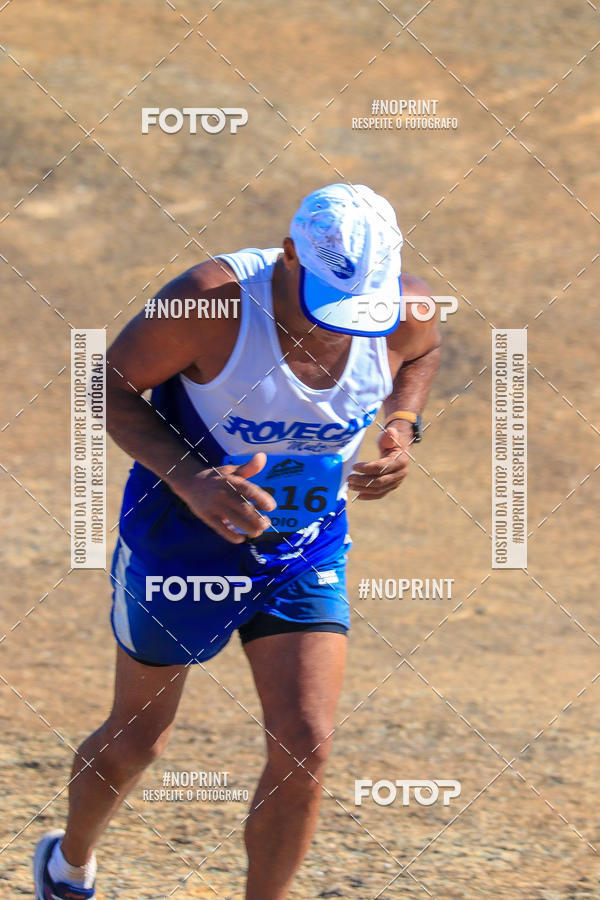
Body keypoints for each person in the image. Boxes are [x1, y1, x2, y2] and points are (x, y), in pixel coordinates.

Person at [34, 183, 441, 900]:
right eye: (330, 304)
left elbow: (420, 355)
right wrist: (193, 481)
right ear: (289, 257)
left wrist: (402, 428)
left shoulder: (403, 307)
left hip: (304, 549)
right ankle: (69, 864)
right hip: (179, 545)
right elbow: (105, 387)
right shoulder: (211, 304)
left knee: (307, 740)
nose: (345, 327)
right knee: (138, 741)